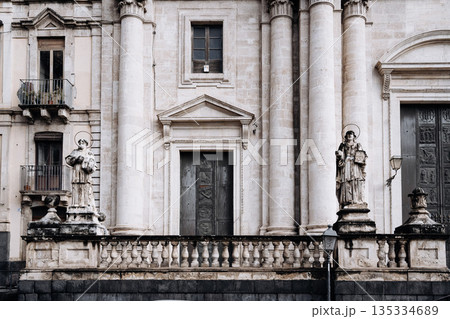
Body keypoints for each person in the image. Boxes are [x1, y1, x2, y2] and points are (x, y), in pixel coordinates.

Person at [335, 130, 367, 209]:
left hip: (355, 165)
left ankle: (356, 199)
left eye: (351, 134)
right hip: (346, 164)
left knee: (355, 180)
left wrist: (361, 157)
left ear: (354, 136)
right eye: (348, 134)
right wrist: (339, 155)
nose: (350, 135)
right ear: (346, 137)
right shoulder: (342, 145)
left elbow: (362, 155)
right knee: (346, 180)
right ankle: (347, 200)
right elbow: (340, 155)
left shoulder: (358, 145)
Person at [65, 139, 97, 211]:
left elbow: (93, 164)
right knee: (76, 186)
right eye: (80, 142)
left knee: (85, 187)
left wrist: (87, 163)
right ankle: (75, 204)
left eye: (83, 142)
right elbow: (68, 160)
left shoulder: (89, 153)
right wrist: (76, 159)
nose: (81, 143)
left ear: (86, 144)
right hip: (76, 171)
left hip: (85, 173)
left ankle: (86, 204)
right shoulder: (75, 152)